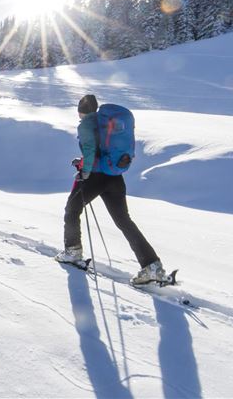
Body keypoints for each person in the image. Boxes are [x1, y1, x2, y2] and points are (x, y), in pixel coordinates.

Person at [55, 94, 166, 284]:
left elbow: (90, 150)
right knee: (124, 221)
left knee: (71, 210)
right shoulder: (104, 123)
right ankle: (152, 265)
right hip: (114, 177)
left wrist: (85, 172)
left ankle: (72, 252)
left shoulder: (86, 125)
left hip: (95, 177)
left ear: (81, 111)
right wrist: (83, 162)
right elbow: (99, 150)